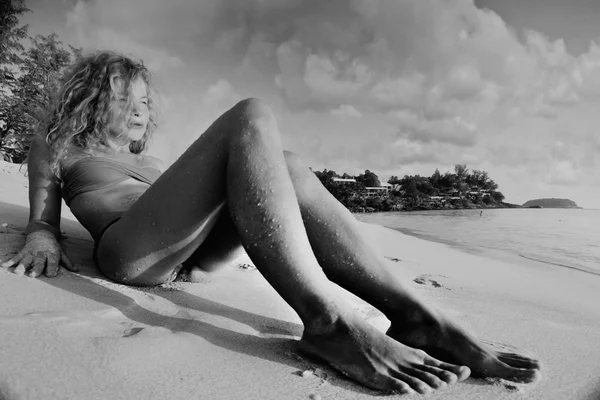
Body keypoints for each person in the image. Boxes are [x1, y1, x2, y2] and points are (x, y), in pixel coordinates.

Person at [1, 51, 541, 394]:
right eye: (124, 96)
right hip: (132, 254)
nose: (139, 109)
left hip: (195, 253)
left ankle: (418, 315)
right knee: (251, 111)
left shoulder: (153, 162)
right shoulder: (58, 143)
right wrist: (42, 236)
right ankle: (327, 322)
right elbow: (43, 214)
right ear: (94, 99)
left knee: (286, 162)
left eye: (144, 99)